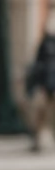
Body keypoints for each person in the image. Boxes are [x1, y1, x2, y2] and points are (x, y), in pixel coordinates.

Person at [26, 12, 55, 151]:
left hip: (49, 84)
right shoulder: (45, 44)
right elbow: (38, 65)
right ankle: (37, 140)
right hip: (46, 85)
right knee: (40, 114)